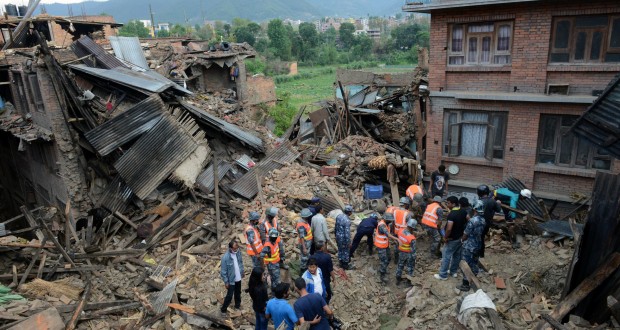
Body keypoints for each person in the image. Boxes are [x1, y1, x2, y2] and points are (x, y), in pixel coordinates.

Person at [434, 196, 466, 280]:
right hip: (460, 237)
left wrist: (445, 237)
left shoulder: (452, 215)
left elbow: (448, 229)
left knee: (446, 256)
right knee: (456, 255)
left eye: (448, 203)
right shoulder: (463, 211)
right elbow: (468, 220)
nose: (447, 205)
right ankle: (453, 272)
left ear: (453, 204)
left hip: (452, 239)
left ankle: (443, 275)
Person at [457, 201, 487, 291]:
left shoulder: (473, 221)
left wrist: (462, 240)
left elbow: (466, 234)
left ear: (474, 209)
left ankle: (465, 285)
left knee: (466, 264)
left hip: (470, 245)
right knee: (474, 262)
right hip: (478, 243)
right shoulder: (483, 220)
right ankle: (474, 279)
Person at [220, 239, 244, 316]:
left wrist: (242, 272)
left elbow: (240, 263)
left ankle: (237, 306)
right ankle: (223, 310)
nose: (236, 249)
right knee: (229, 295)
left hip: (238, 277)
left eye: (237, 248)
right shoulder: (225, 258)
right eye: (234, 248)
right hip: (231, 280)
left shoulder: (238, 253)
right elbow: (223, 271)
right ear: (230, 248)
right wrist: (226, 282)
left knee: (238, 293)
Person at [478, 184, 501, 258]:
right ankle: (481, 255)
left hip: (478, 224)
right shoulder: (492, 201)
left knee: (477, 239)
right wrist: (498, 204)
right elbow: (498, 209)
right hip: (487, 223)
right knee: (482, 238)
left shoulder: (478, 202)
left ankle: (478, 255)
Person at [375, 212, 399, 283]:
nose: (391, 221)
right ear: (385, 219)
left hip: (385, 245)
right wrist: (396, 239)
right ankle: (382, 275)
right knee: (384, 260)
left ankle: (384, 269)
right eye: (390, 220)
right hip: (381, 246)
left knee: (388, 257)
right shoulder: (382, 225)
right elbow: (388, 234)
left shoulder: (386, 224)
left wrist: (392, 240)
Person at [396, 218, 417, 286]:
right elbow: (413, 250)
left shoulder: (400, 231)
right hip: (408, 254)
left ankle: (398, 280)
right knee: (410, 268)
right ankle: (408, 282)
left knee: (400, 266)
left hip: (401, 252)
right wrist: (414, 258)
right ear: (412, 228)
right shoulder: (411, 238)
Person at [259, 228, 281, 293]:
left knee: (275, 280)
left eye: (275, 237)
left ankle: (275, 294)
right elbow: (261, 256)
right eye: (273, 237)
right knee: (276, 281)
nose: (274, 238)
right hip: (271, 265)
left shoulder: (276, 241)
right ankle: (276, 294)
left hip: (276, 263)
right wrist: (263, 268)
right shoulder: (267, 245)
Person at [335, 205, 354, 270]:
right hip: (343, 238)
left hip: (338, 237)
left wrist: (336, 235)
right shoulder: (347, 220)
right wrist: (349, 242)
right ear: (349, 212)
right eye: (351, 212)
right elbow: (347, 233)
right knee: (346, 251)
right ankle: (345, 265)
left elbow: (336, 227)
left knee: (340, 249)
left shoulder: (339, 216)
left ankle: (340, 262)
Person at [297, 208, 314, 274]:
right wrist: (304, 248)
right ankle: (303, 271)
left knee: (306, 256)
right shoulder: (301, 225)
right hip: (305, 244)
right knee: (304, 258)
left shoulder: (304, 222)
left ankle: (305, 268)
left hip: (307, 243)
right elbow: (302, 237)